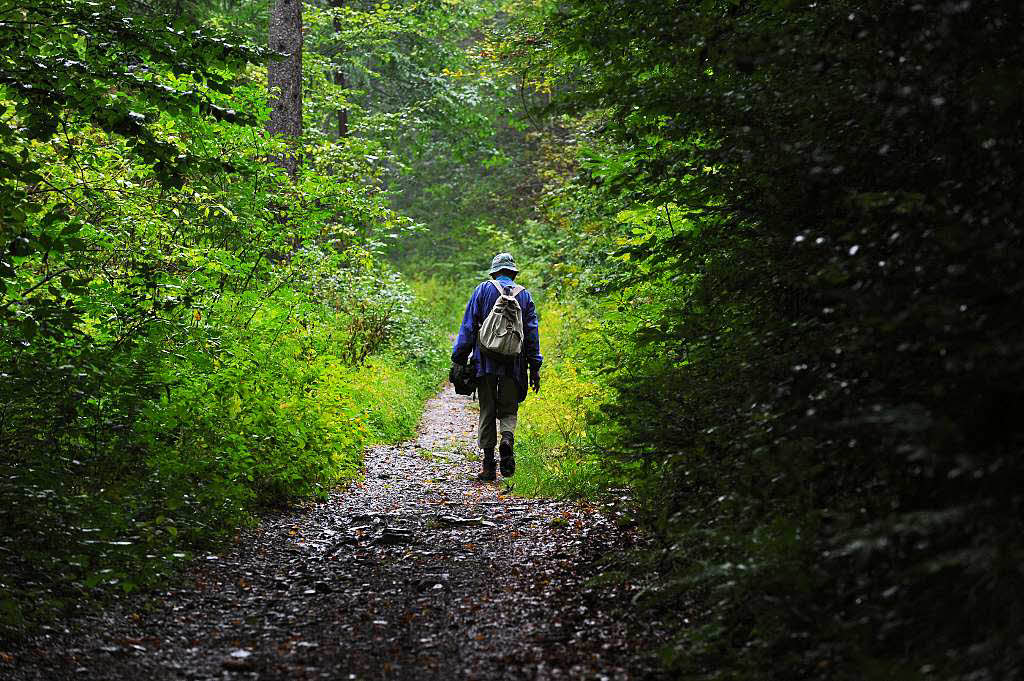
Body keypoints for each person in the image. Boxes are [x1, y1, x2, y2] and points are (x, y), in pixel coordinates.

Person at [451, 253, 542, 481]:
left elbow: (469, 326)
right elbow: (531, 334)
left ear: (494, 272)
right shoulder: (525, 296)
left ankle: (488, 466)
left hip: (485, 363)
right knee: (509, 410)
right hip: (515, 364)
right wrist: (535, 367)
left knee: (487, 411)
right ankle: (507, 440)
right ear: (513, 273)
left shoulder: (483, 290)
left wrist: (459, 357)